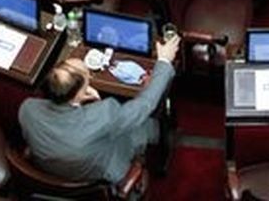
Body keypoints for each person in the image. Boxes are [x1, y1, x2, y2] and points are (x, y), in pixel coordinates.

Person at [19, 31, 181, 185]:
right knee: (150, 126)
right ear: (79, 93)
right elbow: (144, 105)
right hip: (99, 170)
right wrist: (164, 61)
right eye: (87, 74)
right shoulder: (104, 113)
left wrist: (84, 102)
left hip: (53, 166)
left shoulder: (27, 109)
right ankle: (163, 150)